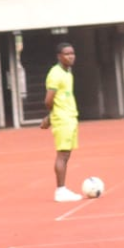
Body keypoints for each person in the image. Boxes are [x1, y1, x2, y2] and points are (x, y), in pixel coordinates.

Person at [41, 42, 83, 202]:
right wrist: (51, 117)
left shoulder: (68, 74)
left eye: (72, 53)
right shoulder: (55, 74)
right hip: (63, 119)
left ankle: (62, 189)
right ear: (59, 56)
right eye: (67, 54)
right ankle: (60, 190)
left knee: (66, 154)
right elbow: (48, 100)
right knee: (62, 154)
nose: (71, 56)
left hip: (70, 117)